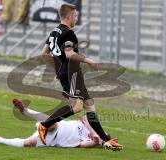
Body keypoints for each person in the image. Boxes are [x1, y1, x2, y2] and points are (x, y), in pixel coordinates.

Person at [38, 3, 123, 151]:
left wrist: (58, 68)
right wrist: (89, 60)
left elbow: (44, 53)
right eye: (75, 16)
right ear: (69, 16)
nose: (76, 18)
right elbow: (69, 54)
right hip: (71, 74)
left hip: (69, 73)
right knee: (77, 107)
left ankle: (106, 140)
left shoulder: (54, 32)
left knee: (90, 106)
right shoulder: (69, 33)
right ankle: (44, 125)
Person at [0, 99, 107, 149]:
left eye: (104, 136)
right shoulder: (87, 126)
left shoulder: (86, 141)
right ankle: (26, 111)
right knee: (51, 123)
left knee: (28, 143)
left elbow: (84, 146)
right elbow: (85, 117)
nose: (102, 135)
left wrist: (96, 141)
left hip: (52, 141)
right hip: (57, 127)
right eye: (104, 134)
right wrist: (94, 133)